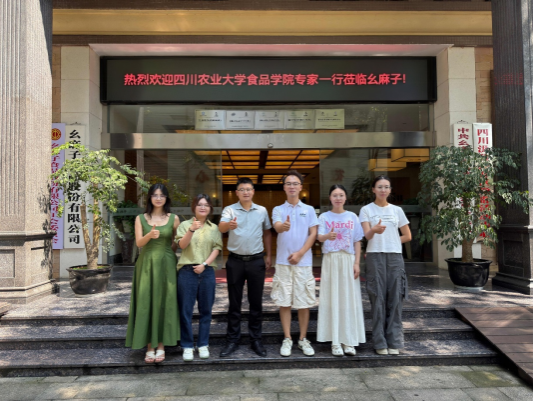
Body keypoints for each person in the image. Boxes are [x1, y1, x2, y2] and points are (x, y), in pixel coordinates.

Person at [125, 184, 181, 363]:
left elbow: (176, 242)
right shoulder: (141, 218)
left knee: (165, 301)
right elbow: (139, 243)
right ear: (149, 197)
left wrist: (167, 253)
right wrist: (150, 235)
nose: (158, 198)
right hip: (146, 263)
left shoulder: (174, 218)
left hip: (167, 264)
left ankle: (162, 345)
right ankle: (150, 346)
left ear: (166, 198)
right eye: (155, 195)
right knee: (146, 302)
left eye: (162, 195)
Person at [218, 177, 272, 357]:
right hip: (235, 262)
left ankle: (256, 340)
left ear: (253, 191)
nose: (246, 192)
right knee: (234, 303)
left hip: (256, 261)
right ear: (237, 192)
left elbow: (267, 232)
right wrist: (229, 224)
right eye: (242, 189)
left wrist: (269, 255)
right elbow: (221, 228)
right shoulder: (230, 209)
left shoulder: (262, 210)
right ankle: (232, 340)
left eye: (248, 189)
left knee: (256, 303)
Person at [360, 175, 411, 356]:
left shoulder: (397, 210)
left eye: (386, 187)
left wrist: (392, 240)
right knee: (377, 298)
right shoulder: (366, 210)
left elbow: (407, 235)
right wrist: (374, 230)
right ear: (373, 189)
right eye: (380, 187)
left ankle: (394, 341)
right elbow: (366, 235)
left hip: (395, 257)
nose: (383, 190)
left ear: (390, 190)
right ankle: (379, 341)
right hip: (374, 257)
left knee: (395, 298)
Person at [271, 170, 319, 357]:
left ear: (300, 187)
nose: (292, 186)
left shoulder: (309, 210)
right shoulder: (278, 209)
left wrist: (300, 253)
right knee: (284, 302)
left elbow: (313, 234)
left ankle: (303, 339)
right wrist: (282, 226)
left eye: (295, 183)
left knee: (303, 303)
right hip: (283, 262)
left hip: (303, 262)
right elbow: (276, 226)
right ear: (284, 187)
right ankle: (287, 338)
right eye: (288, 184)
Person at [317, 184, 366, 356]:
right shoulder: (324, 217)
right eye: (335, 195)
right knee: (332, 298)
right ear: (330, 198)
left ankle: (349, 340)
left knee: (348, 298)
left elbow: (357, 241)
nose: (338, 198)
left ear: (345, 198)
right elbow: (319, 237)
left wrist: (357, 263)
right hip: (331, 260)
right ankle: (335, 341)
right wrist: (327, 236)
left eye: (341, 195)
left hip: (348, 259)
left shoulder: (352, 216)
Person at [175, 194, 223, 361]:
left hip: (207, 271)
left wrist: (204, 264)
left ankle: (203, 344)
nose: (203, 207)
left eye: (206, 205)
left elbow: (217, 248)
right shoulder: (184, 225)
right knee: (185, 311)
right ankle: (187, 345)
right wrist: (191, 230)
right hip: (187, 272)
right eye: (199, 204)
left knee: (206, 311)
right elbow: (181, 245)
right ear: (194, 207)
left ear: (210, 209)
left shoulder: (214, 228)